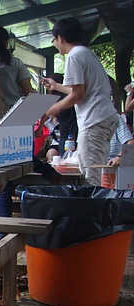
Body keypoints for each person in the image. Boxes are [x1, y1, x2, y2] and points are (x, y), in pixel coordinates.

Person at [0, 26, 61, 224]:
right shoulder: (14, 63)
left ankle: (2, 229)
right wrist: (38, 118)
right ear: (6, 42)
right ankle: (49, 172)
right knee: (20, 159)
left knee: (4, 180)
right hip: (16, 120)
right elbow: (29, 93)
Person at [42, 18, 118, 186]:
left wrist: (53, 109)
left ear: (60, 38)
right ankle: (98, 209)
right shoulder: (86, 53)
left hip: (94, 120)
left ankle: (93, 211)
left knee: (90, 175)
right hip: (104, 117)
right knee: (96, 170)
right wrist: (57, 86)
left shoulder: (74, 56)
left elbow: (77, 95)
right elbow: (81, 90)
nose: (55, 44)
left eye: (54, 40)